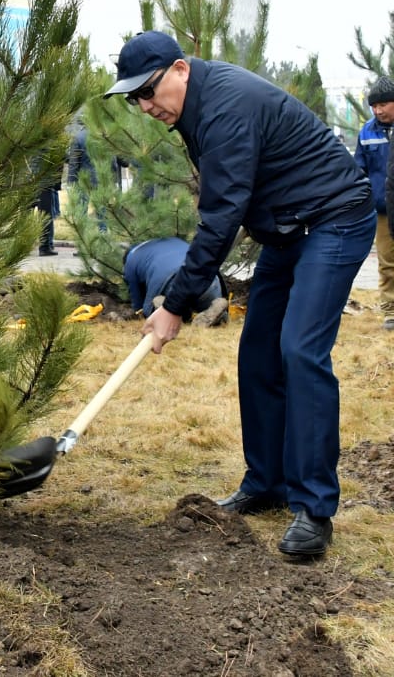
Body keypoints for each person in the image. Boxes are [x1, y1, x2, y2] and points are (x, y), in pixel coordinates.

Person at [107, 31, 374, 559]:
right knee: (257, 354)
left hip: (335, 219)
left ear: (180, 69)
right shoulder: (192, 106)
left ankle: (314, 508)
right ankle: (268, 481)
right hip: (285, 231)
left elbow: (221, 219)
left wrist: (175, 305)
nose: (144, 106)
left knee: (300, 350)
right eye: (134, 97)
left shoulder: (226, 106)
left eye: (149, 91)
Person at [354, 76, 394, 326]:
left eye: (384, 105)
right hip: (383, 210)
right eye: (374, 106)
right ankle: (391, 310)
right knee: (387, 261)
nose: (378, 110)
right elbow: (359, 170)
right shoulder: (367, 132)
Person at [123, 237, 227, 326]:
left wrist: (142, 311)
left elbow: (137, 302)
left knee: (150, 309)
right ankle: (214, 309)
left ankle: (163, 308)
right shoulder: (173, 240)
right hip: (207, 276)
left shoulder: (131, 258)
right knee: (206, 299)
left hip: (172, 280)